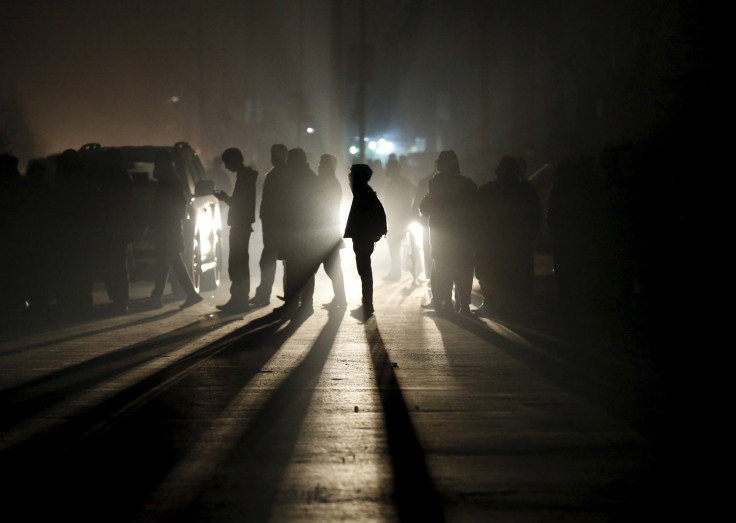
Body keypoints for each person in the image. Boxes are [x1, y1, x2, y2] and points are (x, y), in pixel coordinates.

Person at [475, 155, 543, 317]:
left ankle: (491, 303)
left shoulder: (488, 190)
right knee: (518, 274)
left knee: (490, 272)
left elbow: (477, 216)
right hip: (518, 241)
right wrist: (531, 235)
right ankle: (519, 306)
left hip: (494, 241)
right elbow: (536, 215)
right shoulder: (526, 190)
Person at [419, 150, 477, 316]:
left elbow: (425, 208)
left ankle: (444, 303)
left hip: (441, 236)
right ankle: (464, 304)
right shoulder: (468, 184)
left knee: (442, 270)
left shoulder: (435, 184)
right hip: (463, 235)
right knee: (464, 270)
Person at [146, 149, 203, 310]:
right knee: (167, 262)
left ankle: (187, 294)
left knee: (170, 261)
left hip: (167, 228)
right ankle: (158, 297)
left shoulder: (169, 182)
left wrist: (157, 223)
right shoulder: (171, 181)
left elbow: (169, 207)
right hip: (168, 227)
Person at [273, 147, 320, 318]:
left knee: (294, 269)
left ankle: (295, 304)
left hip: (297, 232)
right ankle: (302, 304)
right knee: (302, 269)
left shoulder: (295, 178)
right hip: (304, 232)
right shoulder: (310, 177)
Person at [214, 147, 258, 313]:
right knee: (238, 263)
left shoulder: (245, 179)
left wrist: (225, 197)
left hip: (241, 225)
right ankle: (239, 299)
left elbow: (240, 204)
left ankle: (239, 300)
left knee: (237, 263)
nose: (226, 167)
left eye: (227, 163)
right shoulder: (246, 177)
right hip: (242, 224)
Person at [343, 163, 387, 321]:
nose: (348, 177)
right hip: (364, 236)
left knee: (364, 270)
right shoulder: (364, 191)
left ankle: (367, 304)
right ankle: (367, 302)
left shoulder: (362, 193)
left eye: (351, 174)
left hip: (363, 236)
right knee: (364, 269)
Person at [251, 144, 288, 306]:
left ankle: (266, 294)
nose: (273, 157)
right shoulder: (277, 173)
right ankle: (267, 293)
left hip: (276, 224)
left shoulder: (279, 174)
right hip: (274, 223)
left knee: (270, 260)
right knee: (273, 260)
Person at [315, 153, 347, 310]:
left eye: (322, 163)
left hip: (325, 232)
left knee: (331, 267)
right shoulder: (331, 182)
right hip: (328, 231)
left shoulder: (328, 183)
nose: (319, 165)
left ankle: (340, 298)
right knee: (332, 267)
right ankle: (340, 298)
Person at [382, 155, 416, 282]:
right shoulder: (406, 182)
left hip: (396, 219)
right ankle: (400, 270)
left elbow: (387, 203)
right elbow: (415, 194)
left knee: (393, 246)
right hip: (405, 217)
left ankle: (396, 272)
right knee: (395, 245)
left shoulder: (390, 185)